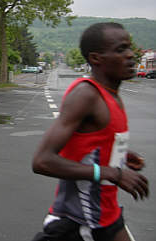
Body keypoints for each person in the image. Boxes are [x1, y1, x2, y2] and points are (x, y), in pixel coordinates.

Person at [31, 22, 149, 241]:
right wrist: (113, 173)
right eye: (121, 49)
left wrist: (120, 156)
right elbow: (42, 161)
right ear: (96, 58)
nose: (131, 55)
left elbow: (90, 144)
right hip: (79, 221)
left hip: (107, 215)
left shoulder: (112, 94)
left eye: (130, 47)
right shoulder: (87, 95)